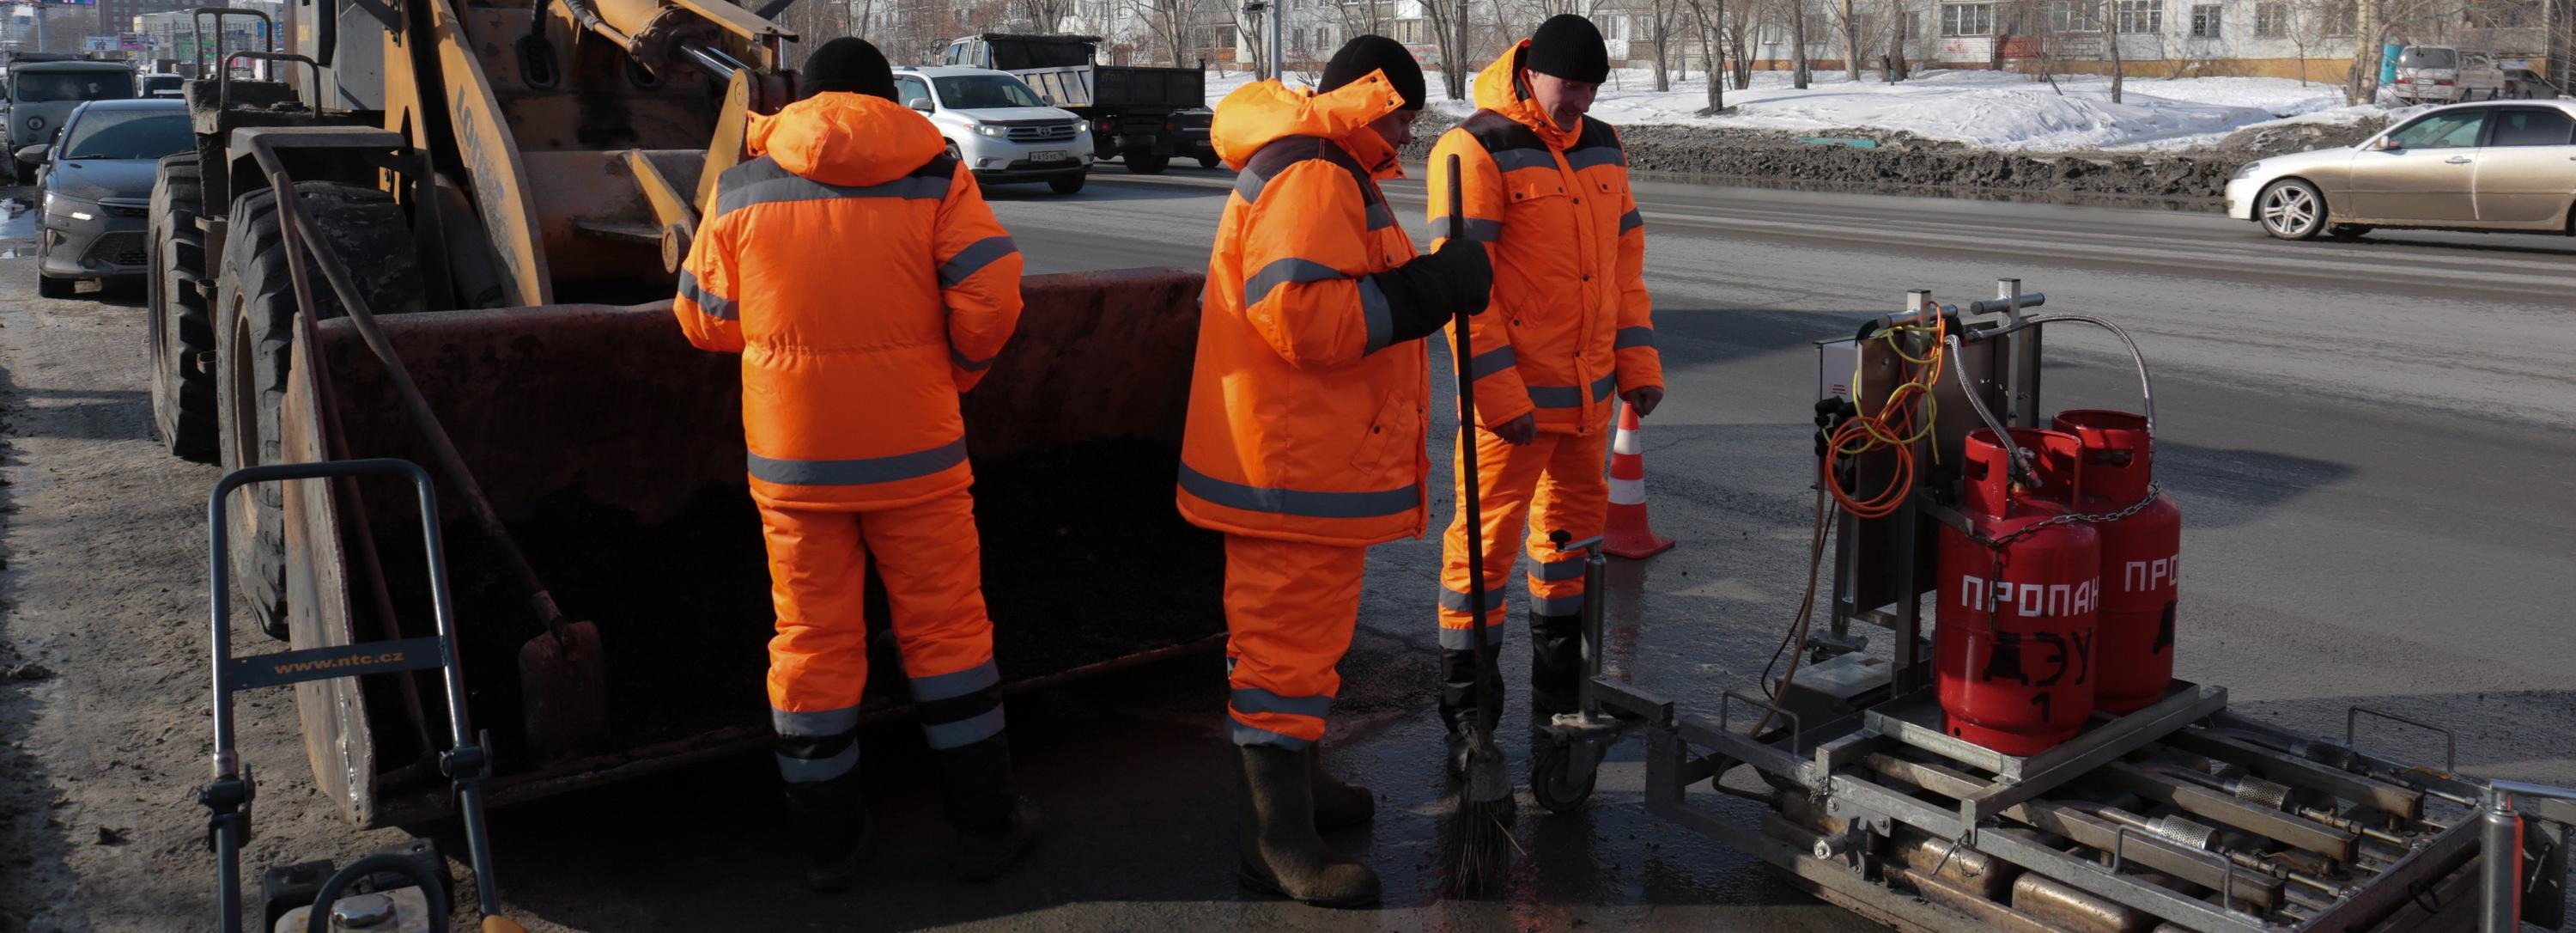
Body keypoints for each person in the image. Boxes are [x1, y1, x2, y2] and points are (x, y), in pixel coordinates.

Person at [673, 37, 1039, 894]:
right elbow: (992, 298)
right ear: (889, 101)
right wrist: (951, 375)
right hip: (917, 456)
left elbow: (702, 320)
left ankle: (830, 846)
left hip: (794, 466)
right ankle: (986, 829)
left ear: (801, 100)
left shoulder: (742, 186)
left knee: (810, 641)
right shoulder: (938, 175)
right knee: (947, 633)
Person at [1178, 35, 1492, 907]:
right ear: (1372, 99)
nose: (1408, 133)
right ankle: (1277, 846)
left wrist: (1429, 281)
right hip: (1292, 469)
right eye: (1403, 115)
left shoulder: (1327, 167)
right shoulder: (1313, 172)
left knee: (1305, 645)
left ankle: (1301, 792)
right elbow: (1304, 319)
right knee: (1282, 653)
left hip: (1306, 462)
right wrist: (1435, 287)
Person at [1425, 14, 1663, 772]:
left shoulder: (1604, 146)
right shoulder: (1474, 150)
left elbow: (1623, 271)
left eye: (1593, 89)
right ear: (1531, 74)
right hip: (1514, 413)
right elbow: (1466, 294)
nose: (1581, 102)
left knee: (1568, 553)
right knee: (1481, 555)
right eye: (1571, 86)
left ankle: (1560, 698)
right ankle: (1471, 716)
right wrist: (1498, 398)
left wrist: (1639, 366)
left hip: (1588, 408)